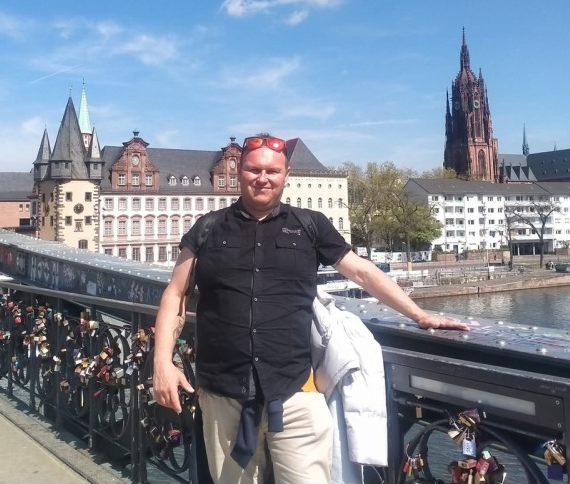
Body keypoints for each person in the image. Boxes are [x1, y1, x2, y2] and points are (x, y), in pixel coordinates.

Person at [153, 134, 468, 484]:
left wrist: (419, 315)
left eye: (272, 171)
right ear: (239, 172)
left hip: (295, 392)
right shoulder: (208, 228)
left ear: (286, 174)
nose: (263, 178)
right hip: (223, 395)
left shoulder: (309, 224)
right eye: (254, 170)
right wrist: (162, 363)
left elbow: (362, 272)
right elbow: (175, 294)